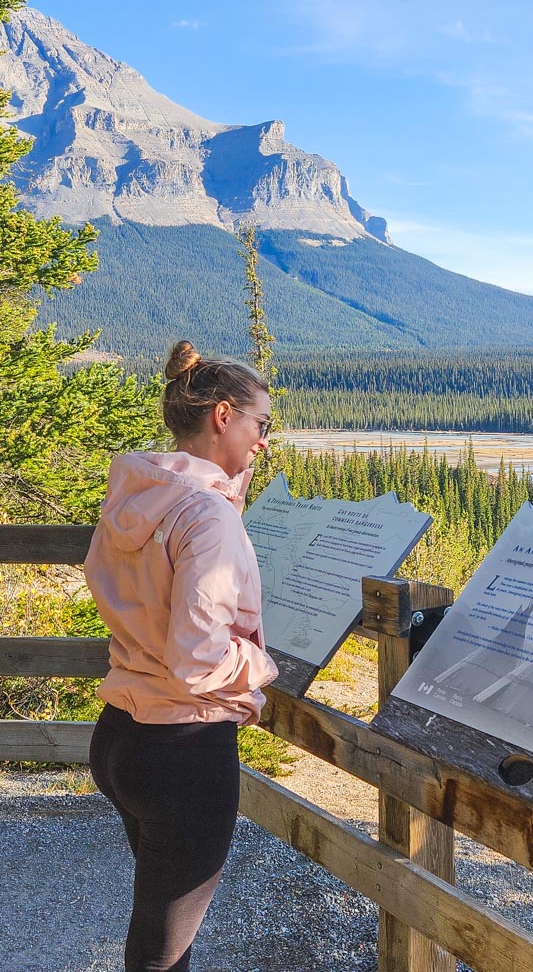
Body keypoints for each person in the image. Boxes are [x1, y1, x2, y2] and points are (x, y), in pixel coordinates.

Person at [84, 340, 279, 972]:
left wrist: (230, 484)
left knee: (161, 932)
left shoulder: (140, 494)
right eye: (260, 424)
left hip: (121, 736)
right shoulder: (207, 519)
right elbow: (197, 660)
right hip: (184, 752)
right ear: (223, 415)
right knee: (160, 955)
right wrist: (259, 668)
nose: (264, 441)